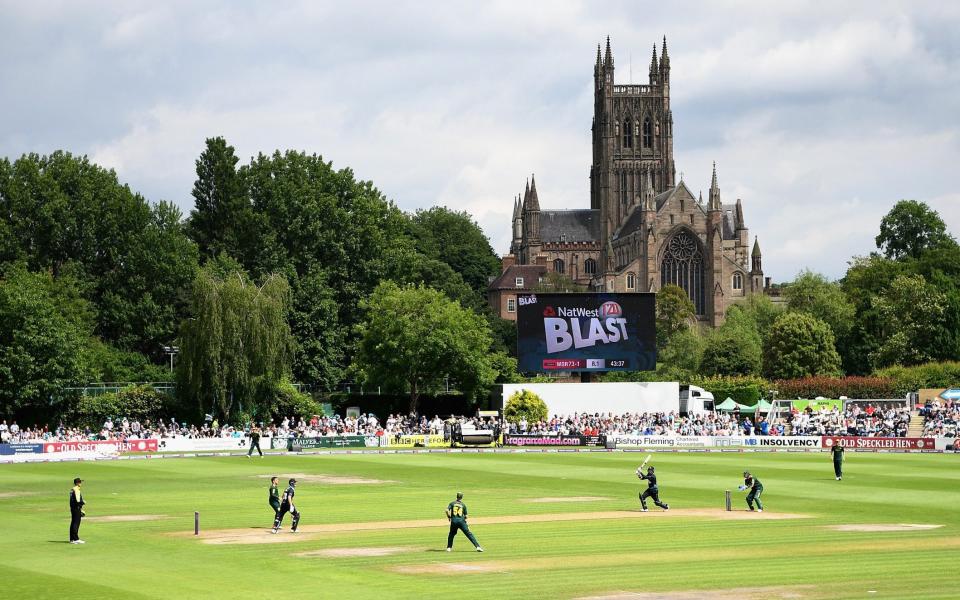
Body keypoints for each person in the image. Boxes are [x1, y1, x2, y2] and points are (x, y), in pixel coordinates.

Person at [69, 477, 86, 544]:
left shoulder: (72, 489)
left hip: (73, 508)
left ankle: (72, 539)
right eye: (80, 482)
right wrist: (83, 502)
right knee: (76, 523)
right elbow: (78, 501)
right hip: (76, 508)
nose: (81, 483)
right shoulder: (76, 490)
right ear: (78, 483)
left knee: (73, 523)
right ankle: (76, 539)